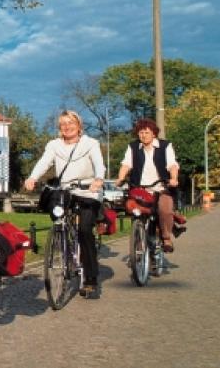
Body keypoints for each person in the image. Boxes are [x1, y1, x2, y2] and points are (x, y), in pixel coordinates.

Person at [24, 110, 105, 299]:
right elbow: (44, 162)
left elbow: (99, 163)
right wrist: (32, 177)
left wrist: (98, 179)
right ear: (59, 128)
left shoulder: (90, 144)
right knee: (57, 213)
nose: (67, 127)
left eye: (71, 123)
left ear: (79, 125)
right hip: (66, 190)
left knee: (85, 230)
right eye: (63, 124)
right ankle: (63, 240)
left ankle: (91, 279)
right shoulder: (54, 145)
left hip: (87, 190)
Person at [116, 117, 179, 253]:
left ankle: (166, 237)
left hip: (161, 188)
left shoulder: (165, 146)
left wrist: (173, 178)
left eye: (146, 132)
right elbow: (126, 164)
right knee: (133, 209)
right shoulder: (133, 147)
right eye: (140, 132)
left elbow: (172, 164)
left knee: (165, 209)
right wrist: (120, 178)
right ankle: (138, 236)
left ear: (154, 133)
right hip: (139, 189)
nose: (143, 135)